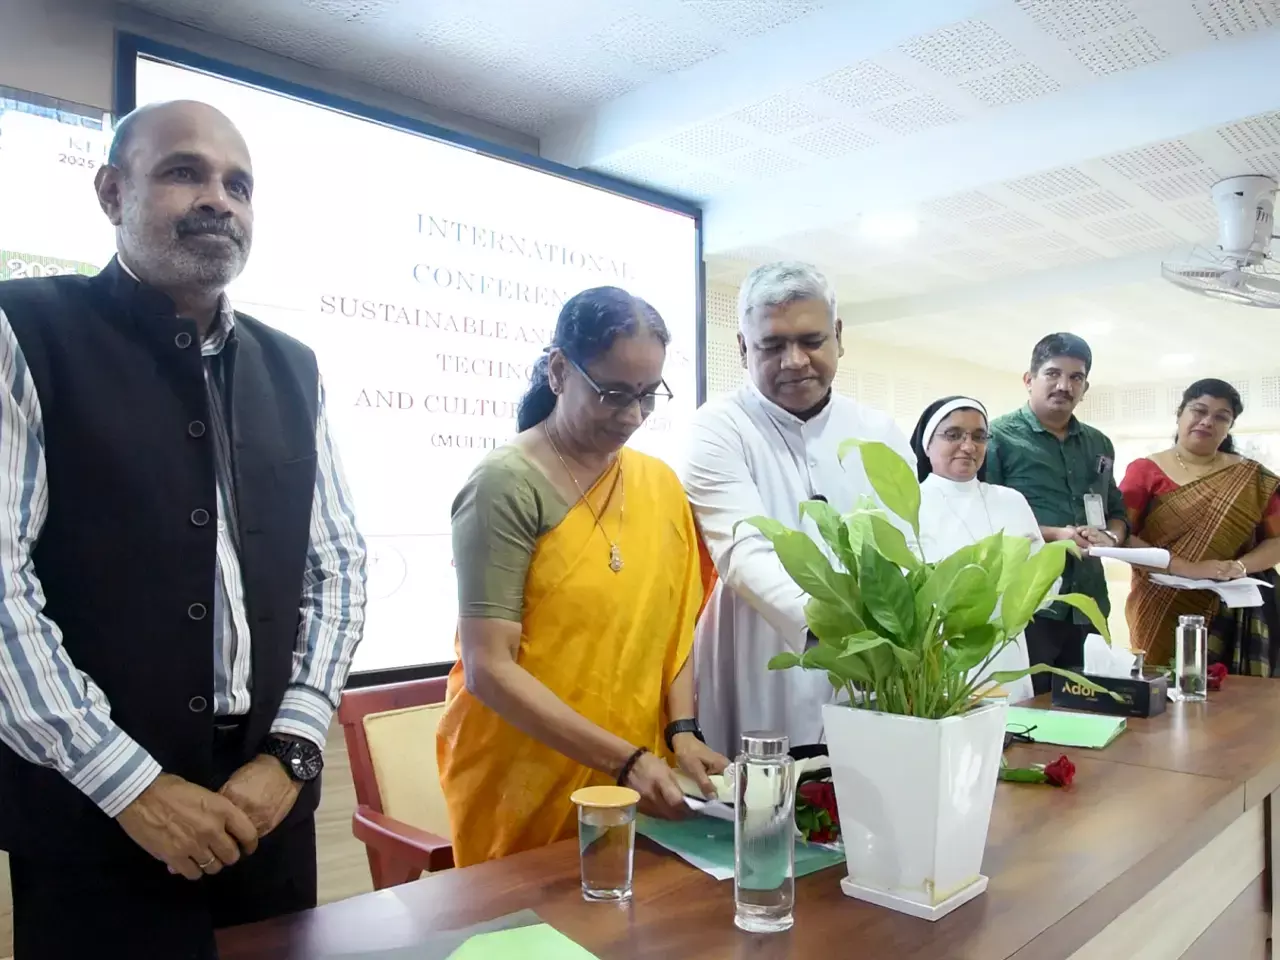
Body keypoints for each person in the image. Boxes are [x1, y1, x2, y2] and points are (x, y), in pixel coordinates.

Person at [0, 101, 367, 957]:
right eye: (183, 172)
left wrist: (294, 754)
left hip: (266, 809)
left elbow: (339, 571)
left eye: (239, 184)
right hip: (95, 823)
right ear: (109, 191)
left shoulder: (294, 367)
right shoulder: (24, 331)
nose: (219, 200)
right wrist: (129, 786)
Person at [438, 286, 729, 867]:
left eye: (647, 397)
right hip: (522, 771)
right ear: (558, 370)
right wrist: (624, 759)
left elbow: (672, 630)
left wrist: (682, 732)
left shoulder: (660, 484)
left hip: (632, 767)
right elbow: (489, 669)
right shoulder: (505, 484)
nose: (631, 416)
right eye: (613, 394)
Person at [682, 262, 915, 754]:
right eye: (771, 345)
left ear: (838, 336)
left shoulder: (879, 433)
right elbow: (743, 550)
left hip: (873, 668)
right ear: (743, 348)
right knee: (762, 810)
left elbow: (905, 549)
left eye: (811, 340)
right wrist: (832, 632)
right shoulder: (718, 427)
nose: (794, 360)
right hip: (761, 659)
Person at [986, 333, 1126, 694]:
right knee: (1027, 710)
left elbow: (1117, 512)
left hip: (1089, 600)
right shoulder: (996, 438)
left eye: (1076, 377)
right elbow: (985, 519)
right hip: (1029, 604)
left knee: (1091, 705)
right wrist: (1058, 536)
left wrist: (1110, 537)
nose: (1065, 385)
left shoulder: (1099, 443)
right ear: (1029, 379)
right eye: (1053, 374)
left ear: (1085, 385)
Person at [1120, 379, 1280, 670]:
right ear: (1180, 413)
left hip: (1230, 605)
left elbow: (1276, 540)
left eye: (1221, 417)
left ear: (1230, 426)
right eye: (1199, 411)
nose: (1208, 422)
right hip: (1159, 602)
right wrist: (1182, 566)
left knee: (1233, 700)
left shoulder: (1251, 477)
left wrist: (1239, 566)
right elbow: (1122, 536)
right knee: (1160, 690)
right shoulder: (1144, 471)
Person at [912, 396, 1046, 703]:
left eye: (978, 436)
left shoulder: (1011, 501)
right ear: (927, 443)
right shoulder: (909, 504)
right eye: (954, 434)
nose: (968, 446)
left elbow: (1045, 576)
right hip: (940, 656)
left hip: (1004, 652)